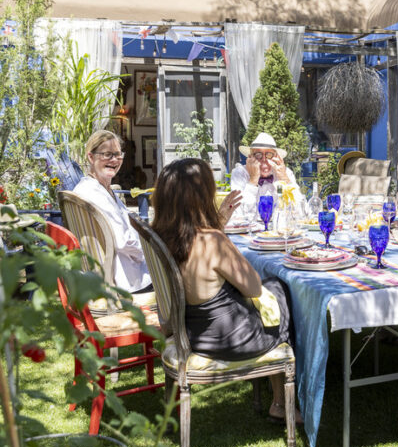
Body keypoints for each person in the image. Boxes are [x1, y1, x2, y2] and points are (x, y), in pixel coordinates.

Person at [151, 159, 300, 425]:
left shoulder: (160, 236)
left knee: (271, 295)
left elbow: (197, 259)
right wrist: (220, 235)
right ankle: (281, 402)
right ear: (199, 196)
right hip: (227, 340)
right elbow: (253, 286)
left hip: (191, 332)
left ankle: (276, 398)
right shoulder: (212, 240)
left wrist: (218, 223)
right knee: (278, 290)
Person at [73, 130, 153, 294]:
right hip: (123, 280)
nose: (114, 160)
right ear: (91, 157)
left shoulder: (100, 189)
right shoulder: (93, 193)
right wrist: (152, 249)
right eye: (107, 154)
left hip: (115, 273)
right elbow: (124, 241)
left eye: (118, 154)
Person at [229, 132, 303, 216]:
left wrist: (284, 179)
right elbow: (238, 213)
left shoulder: (285, 173)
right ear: (251, 157)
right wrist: (253, 180)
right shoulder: (240, 173)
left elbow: (300, 212)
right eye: (258, 154)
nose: (264, 160)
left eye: (269, 154)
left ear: (276, 157)